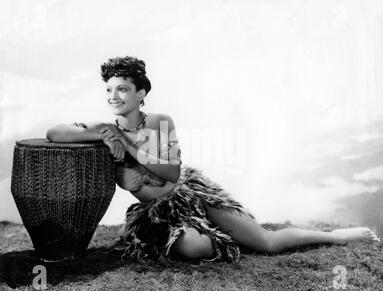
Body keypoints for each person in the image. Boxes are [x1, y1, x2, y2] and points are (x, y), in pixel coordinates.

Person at [46, 56, 380, 263]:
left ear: (141, 93)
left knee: (265, 242)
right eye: (108, 90)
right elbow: (55, 133)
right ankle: (216, 236)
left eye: (122, 89)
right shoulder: (106, 128)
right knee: (194, 249)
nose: (113, 97)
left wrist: (126, 144)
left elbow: (170, 171)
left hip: (191, 191)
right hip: (158, 214)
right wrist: (106, 132)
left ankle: (337, 236)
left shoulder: (160, 121)